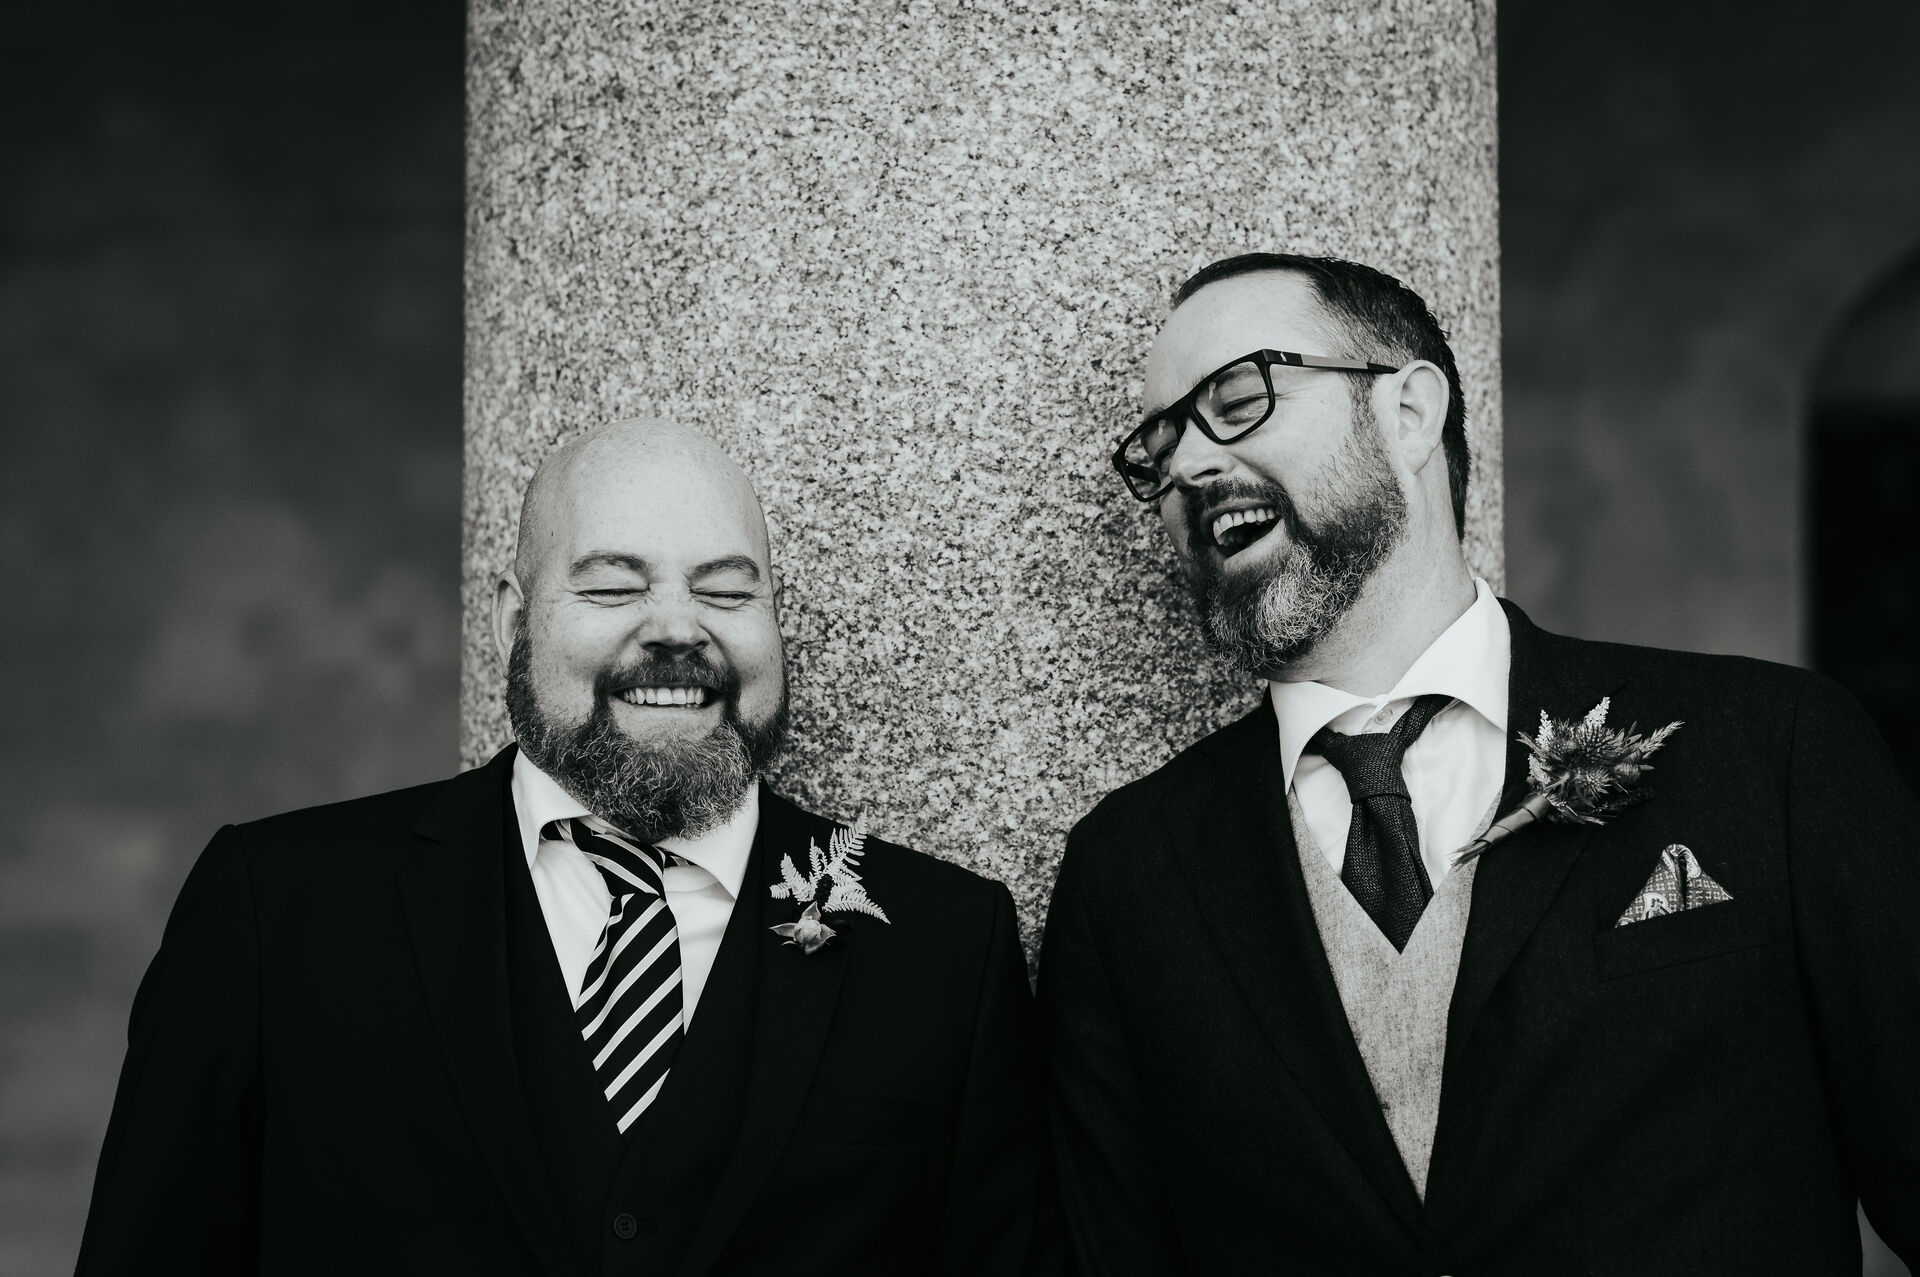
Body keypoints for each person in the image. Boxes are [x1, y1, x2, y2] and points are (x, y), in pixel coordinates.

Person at [1038, 252, 1919, 1274]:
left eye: (1237, 400)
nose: (1188, 464)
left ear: (1410, 412)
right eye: (1159, 448)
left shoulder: (1774, 750)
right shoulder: (1127, 872)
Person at [78, 421, 1054, 1276]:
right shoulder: (274, 912)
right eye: (612, 584)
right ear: (513, 619)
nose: (676, 628)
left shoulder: (945, 947)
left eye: (725, 589)